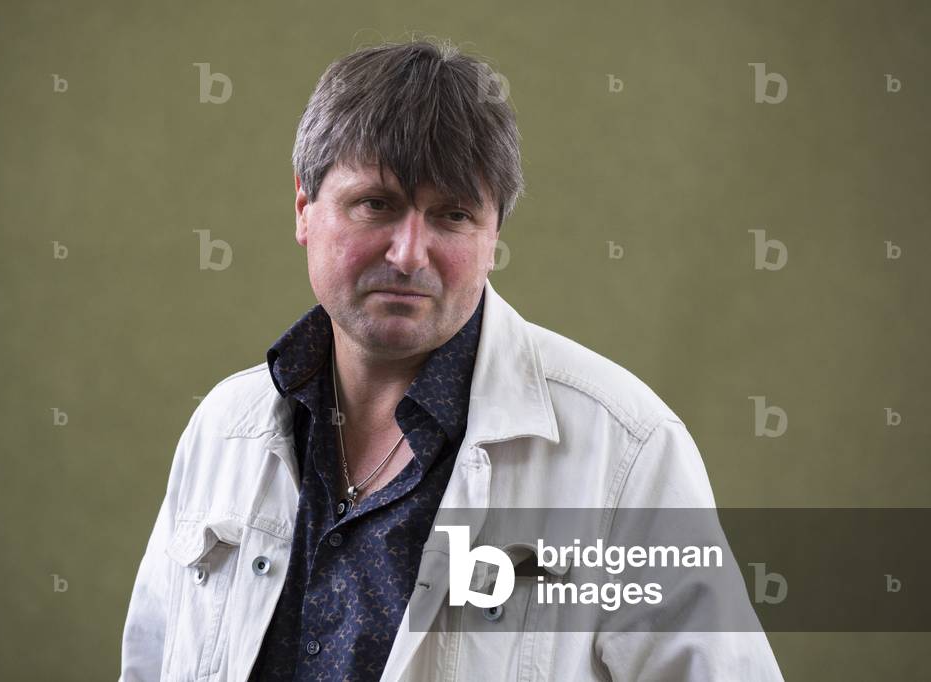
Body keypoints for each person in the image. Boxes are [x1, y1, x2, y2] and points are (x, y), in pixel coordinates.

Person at [119, 38, 783, 681]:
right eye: (375, 204)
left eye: (453, 215)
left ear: (494, 235)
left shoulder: (627, 450)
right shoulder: (223, 429)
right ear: (304, 207)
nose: (409, 253)